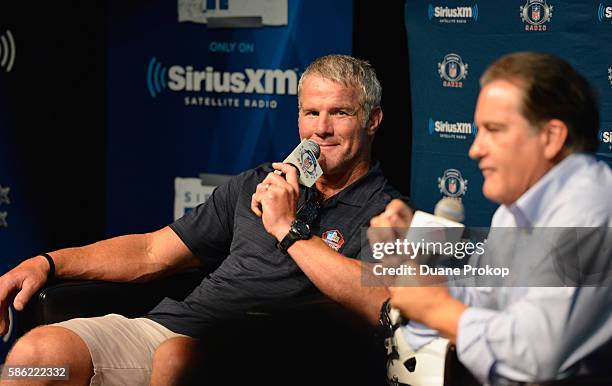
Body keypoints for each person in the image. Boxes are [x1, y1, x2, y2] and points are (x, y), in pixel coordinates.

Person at [0, 54, 400, 386]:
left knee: (178, 361)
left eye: (340, 113)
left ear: (373, 119)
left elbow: (385, 304)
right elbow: (151, 251)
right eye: (311, 113)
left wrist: (288, 229)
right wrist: (46, 263)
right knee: (35, 358)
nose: (321, 129)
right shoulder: (256, 183)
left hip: (271, 357)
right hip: (170, 331)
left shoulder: (393, 211)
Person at [370, 52, 612, 385]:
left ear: (552, 137)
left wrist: (438, 309)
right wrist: (409, 262)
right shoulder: (511, 213)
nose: (475, 149)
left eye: (493, 130)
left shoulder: (591, 208)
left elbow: (536, 356)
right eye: (477, 131)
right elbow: (482, 297)